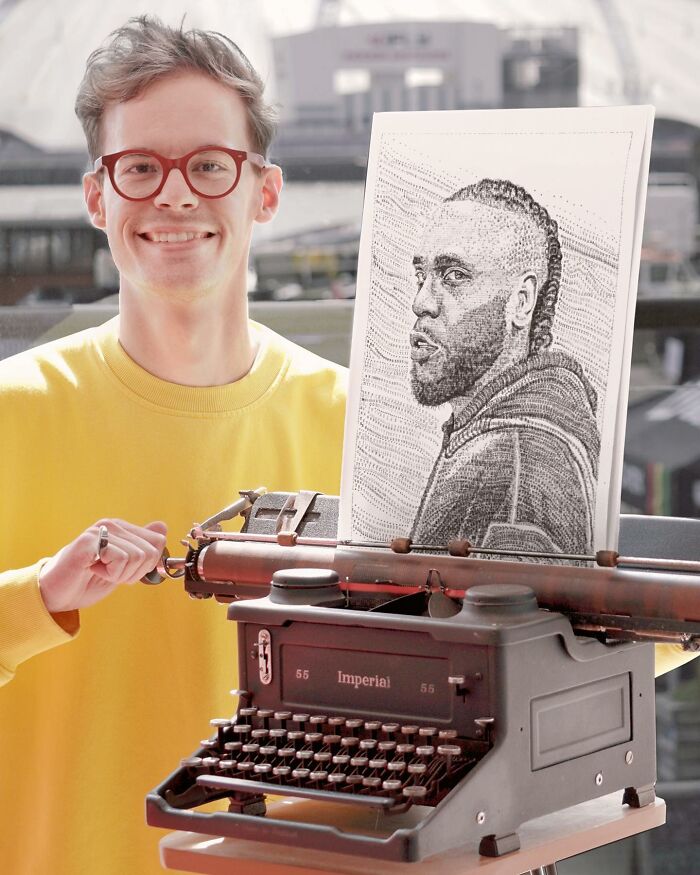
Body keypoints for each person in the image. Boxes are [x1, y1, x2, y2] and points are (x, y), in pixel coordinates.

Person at [0, 16, 346, 875]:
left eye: (209, 164)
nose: (175, 194)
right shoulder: (9, 412)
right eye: (141, 167)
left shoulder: (355, 420)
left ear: (263, 192)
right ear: (97, 197)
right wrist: (41, 595)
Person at [409, 178, 599, 554]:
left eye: (454, 276)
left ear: (521, 302)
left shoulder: (512, 457)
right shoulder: (508, 438)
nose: (421, 302)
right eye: (421, 276)